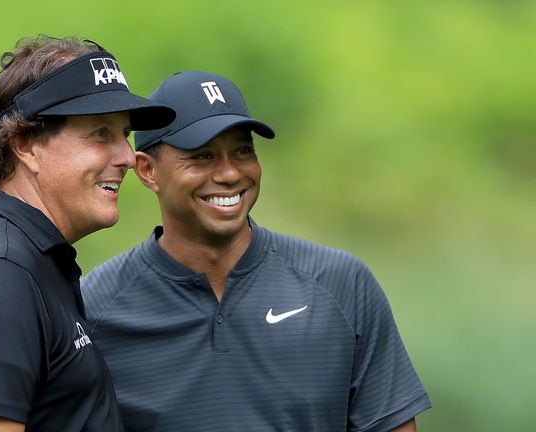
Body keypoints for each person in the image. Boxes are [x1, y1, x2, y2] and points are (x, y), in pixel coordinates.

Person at [81, 70, 431, 431]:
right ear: (148, 170)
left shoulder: (341, 285)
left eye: (243, 151)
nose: (230, 174)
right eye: (202, 156)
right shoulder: (93, 309)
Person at [0, 36, 175, 432]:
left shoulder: (29, 259)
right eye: (101, 133)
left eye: (125, 134)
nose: (128, 157)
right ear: (25, 145)